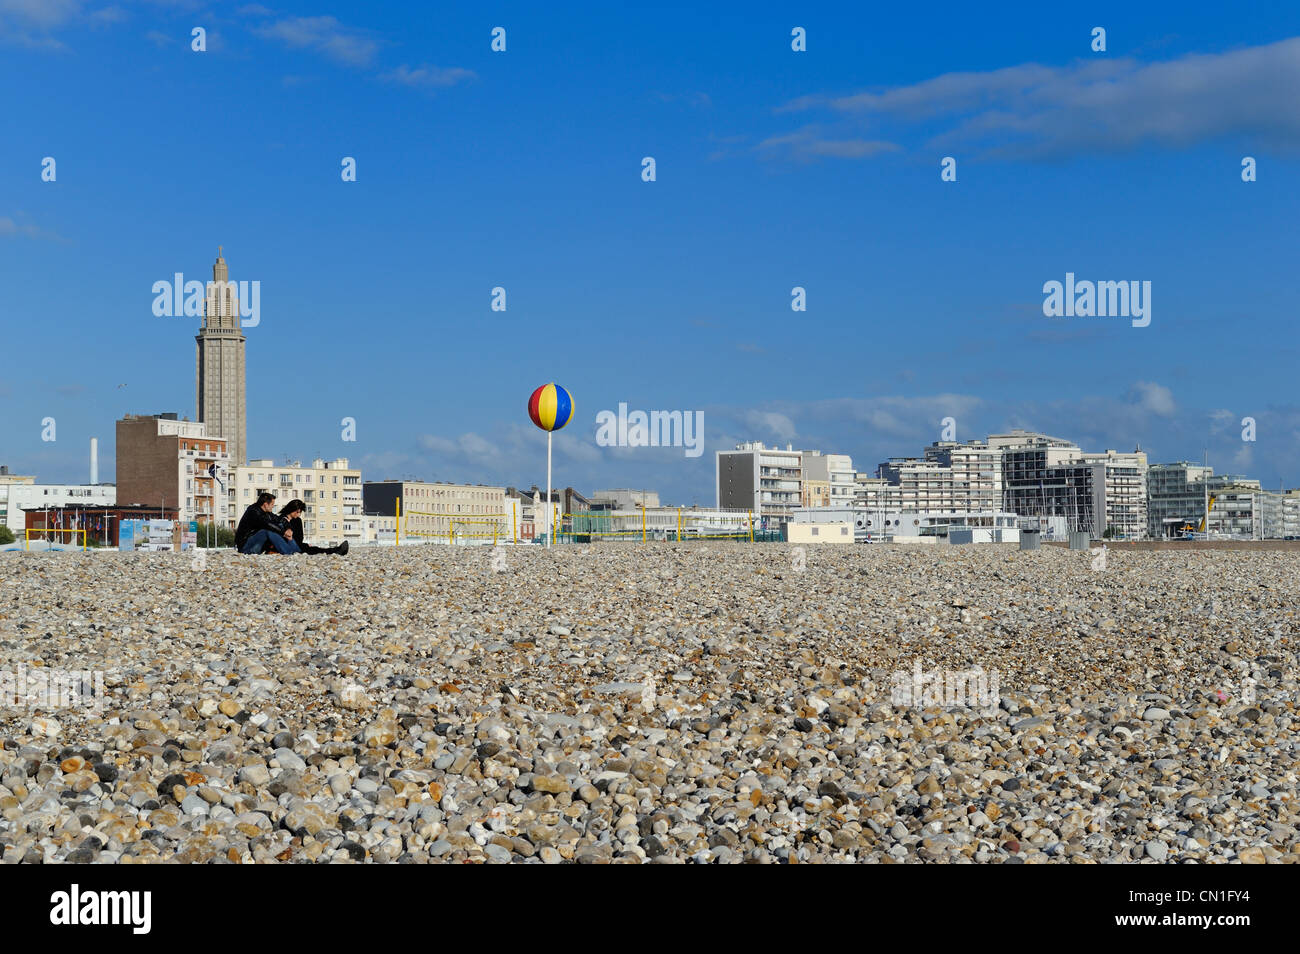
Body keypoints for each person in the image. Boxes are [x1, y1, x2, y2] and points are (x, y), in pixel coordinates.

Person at [235, 492, 300, 555]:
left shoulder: (267, 512)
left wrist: (288, 528)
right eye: (272, 504)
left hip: (257, 544)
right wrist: (283, 533)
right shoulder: (253, 512)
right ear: (265, 504)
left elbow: (280, 520)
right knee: (267, 531)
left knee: (281, 526)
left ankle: (296, 551)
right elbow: (266, 524)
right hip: (246, 547)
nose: (273, 506)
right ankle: (288, 552)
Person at [278, 499, 348, 555]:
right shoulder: (281, 519)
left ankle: (336, 550)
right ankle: (336, 550)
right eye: (297, 512)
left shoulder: (297, 520)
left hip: (297, 545)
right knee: (313, 549)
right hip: (287, 546)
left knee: (314, 549)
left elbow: (300, 537)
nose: (299, 514)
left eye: (300, 512)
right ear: (291, 509)